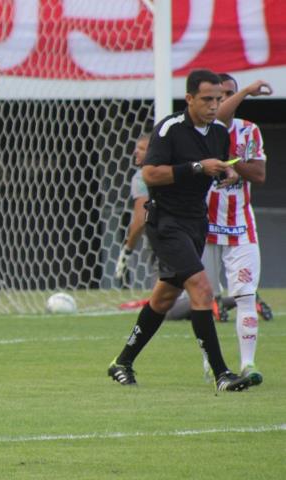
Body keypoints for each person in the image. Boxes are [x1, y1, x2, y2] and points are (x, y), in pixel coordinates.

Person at [106, 69, 252, 392]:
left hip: (195, 222)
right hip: (166, 222)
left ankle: (122, 361)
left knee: (164, 297)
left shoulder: (217, 133)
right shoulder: (169, 129)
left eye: (219, 99)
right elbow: (150, 174)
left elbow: (218, 169)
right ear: (189, 99)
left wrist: (225, 174)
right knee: (201, 288)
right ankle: (222, 374)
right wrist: (198, 167)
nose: (214, 105)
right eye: (207, 99)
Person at [198, 74, 274, 386]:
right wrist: (244, 90)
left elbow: (258, 173)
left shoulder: (249, 130)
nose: (222, 102)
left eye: (228, 94)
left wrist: (231, 163)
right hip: (202, 228)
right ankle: (211, 364)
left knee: (244, 296)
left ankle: (247, 364)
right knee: (205, 298)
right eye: (218, 96)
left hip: (241, 227)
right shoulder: (201, 132)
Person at [115, 132, 154, 288]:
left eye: (141, 148)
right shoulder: (173, 169)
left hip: (165, 239)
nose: (135, 152)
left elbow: (140, 219)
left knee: (164, 297)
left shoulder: (142, 176)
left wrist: (127, 250)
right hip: (193, 233)